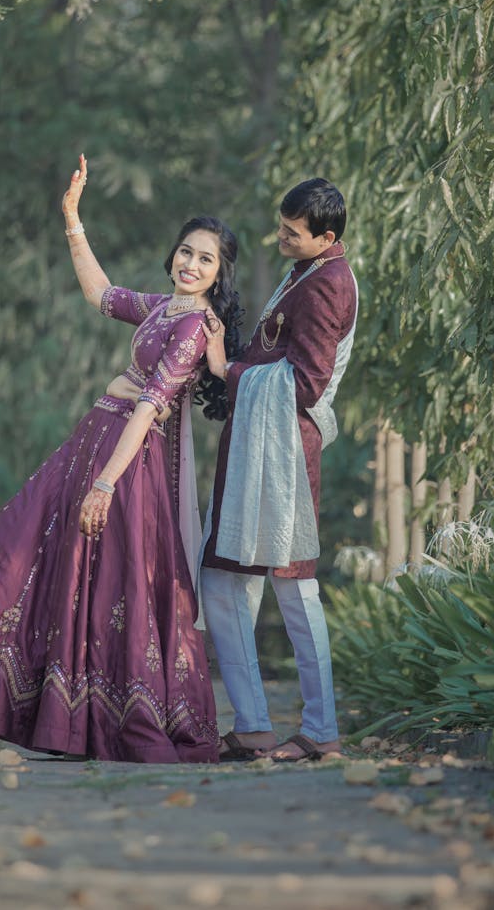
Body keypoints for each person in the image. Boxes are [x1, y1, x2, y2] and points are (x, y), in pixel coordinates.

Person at [0, 154, 243, 764]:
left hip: (126, 465)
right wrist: (73, 219)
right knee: (24, 546)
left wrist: (105, 487)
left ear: (219, 274)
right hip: (94, 442)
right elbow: (101, 293)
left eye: (205, 259)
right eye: (186, 252)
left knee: (90, 574)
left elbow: (147, 409)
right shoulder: (165, 308)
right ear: (173, 256)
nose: (191, 264)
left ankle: (82, 709)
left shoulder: (194, 326)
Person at [199, 178, 358, 762]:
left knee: (294, 589)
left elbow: (307, 382)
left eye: (292, 233)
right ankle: (256, 725)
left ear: (327, 237)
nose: (281, 238)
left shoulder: (327, 285)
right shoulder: (308, 272)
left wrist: (225, 370)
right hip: (263, 446)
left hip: (284, 453)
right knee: (225, 580)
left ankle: (317, 730)